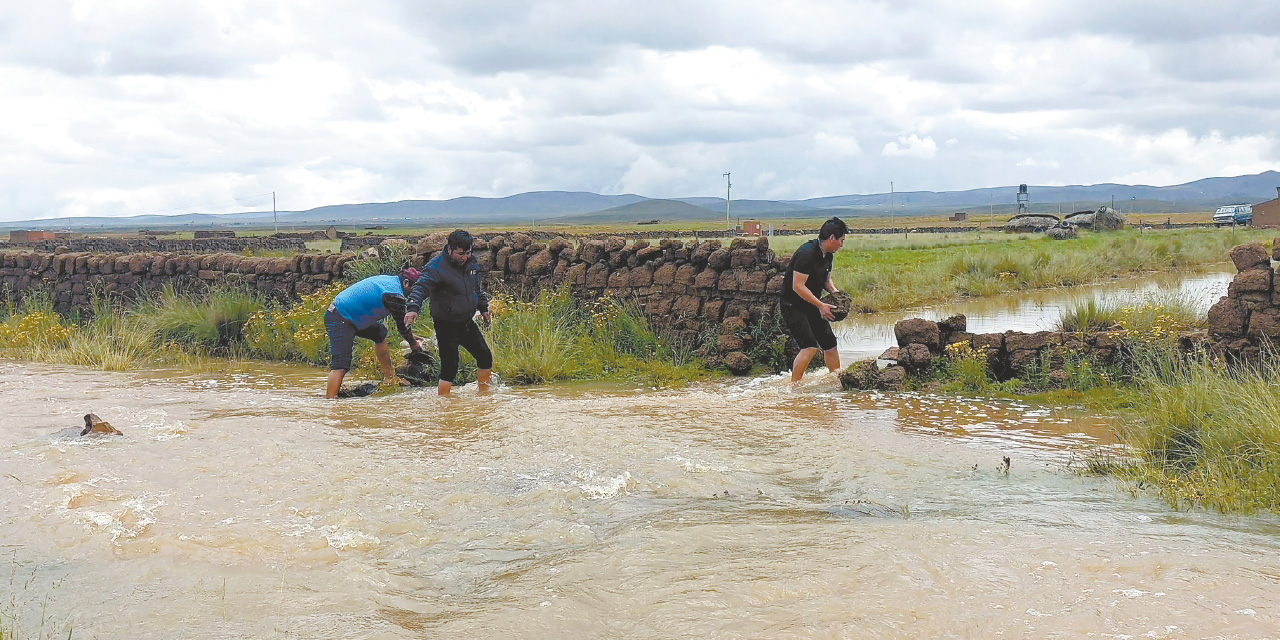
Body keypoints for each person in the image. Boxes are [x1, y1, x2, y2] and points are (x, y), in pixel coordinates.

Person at [404, 230, 494, 396]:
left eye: (468, 253)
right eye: (460, 254)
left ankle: (484, 397)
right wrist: (413, 308)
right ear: (449, 249)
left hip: (466, 323)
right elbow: (421, 287)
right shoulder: (435, 267)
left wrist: (483, 308)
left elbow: (476, 289)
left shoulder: (471, 263)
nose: (464, 257)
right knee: (450, 368)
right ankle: (444, 406)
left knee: (485, 357)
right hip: (446, 325)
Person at [323, 268, 424, 398]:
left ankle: (389, 377)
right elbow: (402, 326)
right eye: (414, 290)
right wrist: (414, 344)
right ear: (406, 283)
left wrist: (410, 336)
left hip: (352, 316)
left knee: (379, 333)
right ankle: (331, 401)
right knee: (341, 363)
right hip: (339, 316)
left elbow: (402, 324)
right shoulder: (394, 295)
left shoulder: (392, 282)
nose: (415, 295)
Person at [780, 217, 848, 382]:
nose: (841, 245)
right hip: (793, 305)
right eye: (841, 240)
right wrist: (820, 305)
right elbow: (798, 286)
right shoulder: (806, 253)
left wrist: (835, 294)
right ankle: (794, 387)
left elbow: (825, 280)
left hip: (813, 304)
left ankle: (836, 381)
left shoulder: (828, 255)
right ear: (832, 238)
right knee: (809, 346)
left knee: (830, 344)